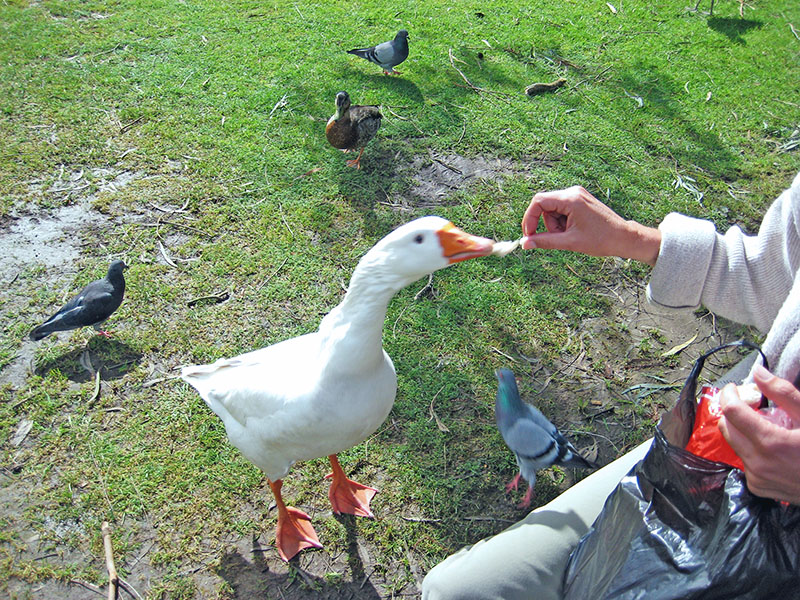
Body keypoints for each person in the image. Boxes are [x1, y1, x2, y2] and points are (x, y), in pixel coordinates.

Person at [421, 171, 800, 600]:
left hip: (773, 541)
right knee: (456, 590)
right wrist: (631, 238)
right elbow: (770, 273)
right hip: (710, 453)